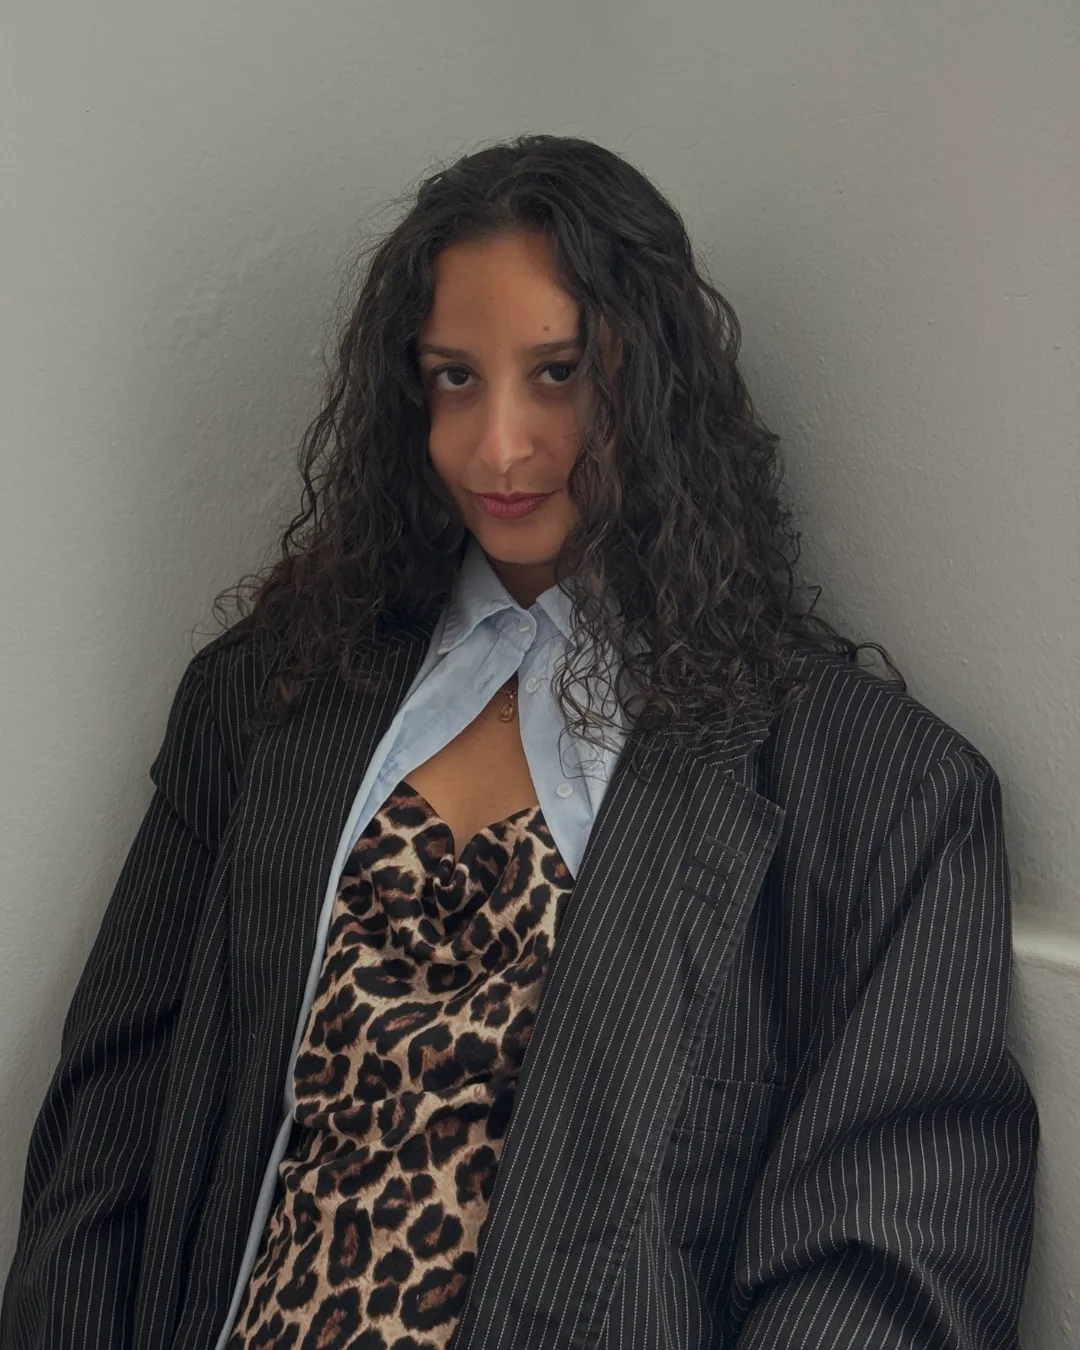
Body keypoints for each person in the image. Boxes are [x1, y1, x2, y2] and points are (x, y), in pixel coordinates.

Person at [1, 133, 1037, 1350]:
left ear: (657, 387)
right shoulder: (258, 703)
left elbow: (887, 1264)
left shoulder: (884, 797)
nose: (498, 447)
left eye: (559, 374)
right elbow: (103, 1150)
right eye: (454, 378)